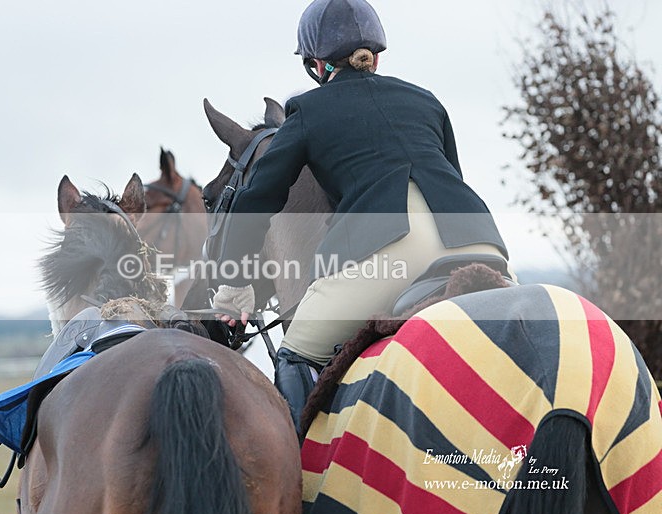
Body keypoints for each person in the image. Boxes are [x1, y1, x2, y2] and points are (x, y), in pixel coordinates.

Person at [212, 0, 512, 428]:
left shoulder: (308, 111)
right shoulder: (426, 100)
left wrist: (236, 278)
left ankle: (307, 482)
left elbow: (258, 197)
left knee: (297, 353)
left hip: (394, 250)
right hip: (479, 242)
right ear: (376, 54)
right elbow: (451, 174)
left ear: (315, 65)